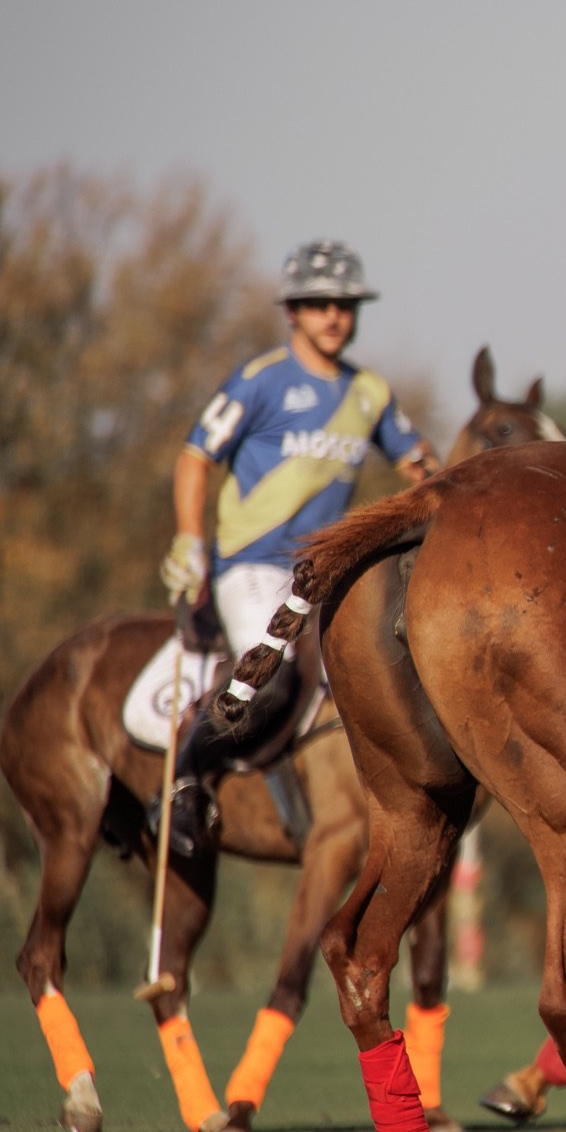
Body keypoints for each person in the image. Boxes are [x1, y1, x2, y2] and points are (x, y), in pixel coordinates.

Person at [159, 240, 437, 851]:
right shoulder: (262, 381)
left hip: (319, 574)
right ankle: (181, 780)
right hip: (251, 567)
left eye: (344, 304)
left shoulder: (371, 393)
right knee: (274, 678)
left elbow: (422, 470)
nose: (333, 316)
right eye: (317, 304)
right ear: (292, 312)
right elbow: (195, 456)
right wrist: (187, 536)